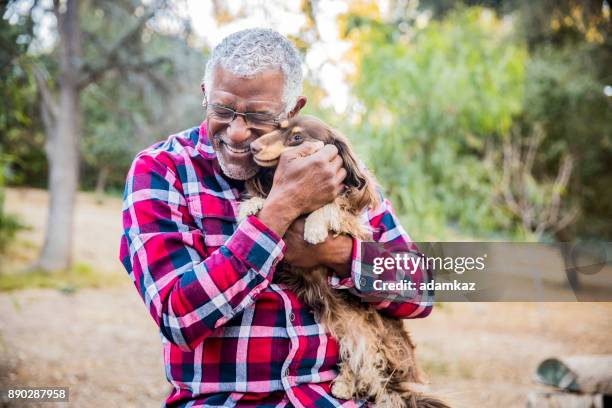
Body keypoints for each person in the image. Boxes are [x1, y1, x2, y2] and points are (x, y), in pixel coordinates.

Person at [120, 28, 432, 408]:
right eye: (222, 110)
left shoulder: (332, 167)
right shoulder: (161, 171)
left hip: (340, 398)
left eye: (258, 115)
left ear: (292, 111)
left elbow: (422, 289)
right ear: (205, 94)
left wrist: (334, 253)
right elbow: (179, 318)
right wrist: (280, 210)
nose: (236, 132)